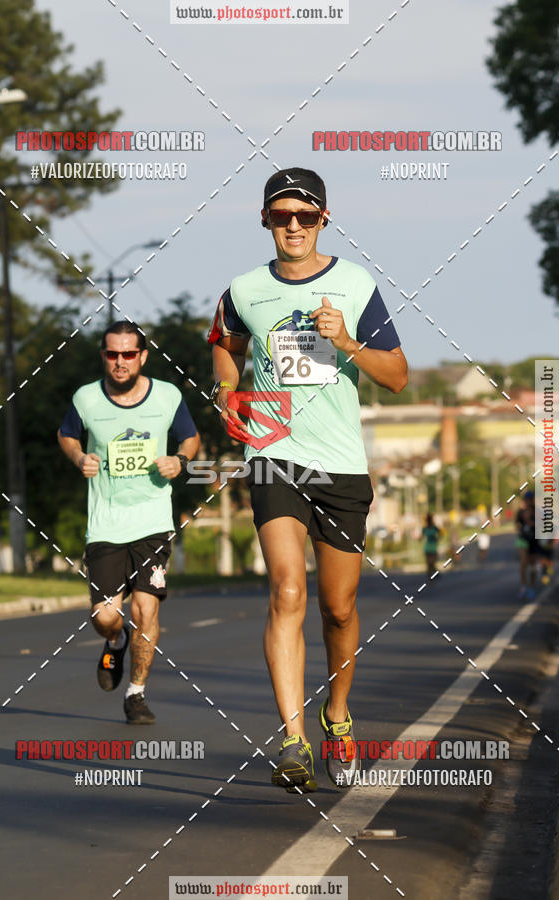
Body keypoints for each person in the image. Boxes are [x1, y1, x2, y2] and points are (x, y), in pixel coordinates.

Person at [208, 168, 407, 792]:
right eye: (281, 215)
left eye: (305, 215)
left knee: (338, 608)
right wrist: (226, 391)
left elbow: (398, 377)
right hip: (274, 456)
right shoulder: (242, 289)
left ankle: (337, 715)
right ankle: (293, 741)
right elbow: (225, 344)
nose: (293, 226)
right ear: (265, 220)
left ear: (324, 219)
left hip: (340, 463)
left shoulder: (356, 284)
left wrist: (344, 339)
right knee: (287, 591)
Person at [57, 321, 200, 724]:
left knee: (145, 609)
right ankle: (116, 640)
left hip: (153, 521)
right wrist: (79, 457)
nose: (120, 361)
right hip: (106, 524)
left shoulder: (167, 396)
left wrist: (180, 461)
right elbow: (66, 435)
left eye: (128, 354)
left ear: (143, 357)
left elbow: (190, 437)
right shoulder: (86, 398)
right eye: (112, 354)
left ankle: (136, 694)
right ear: (104, 356)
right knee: (105, 616)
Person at [515, 490, 539, 600]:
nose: (528, 501)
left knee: (533, 564)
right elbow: (517, 524)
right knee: (524, 562)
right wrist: (520, 528)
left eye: (530, 499)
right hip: (523, 539)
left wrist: (532, 524)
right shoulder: (520, 512)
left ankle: (532, 587)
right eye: (526, 500)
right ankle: (523, 586)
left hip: (533, 540)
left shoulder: (537, 512)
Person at [422, 513, 441, 579]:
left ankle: (435, 574)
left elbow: (441, 533)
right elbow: (421, 537)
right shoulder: (425, 529)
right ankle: (430, 577)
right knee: (429, 564)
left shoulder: (435, 528)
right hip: (427, 548)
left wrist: (437, 539)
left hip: (433, 548)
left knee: (432, 563)